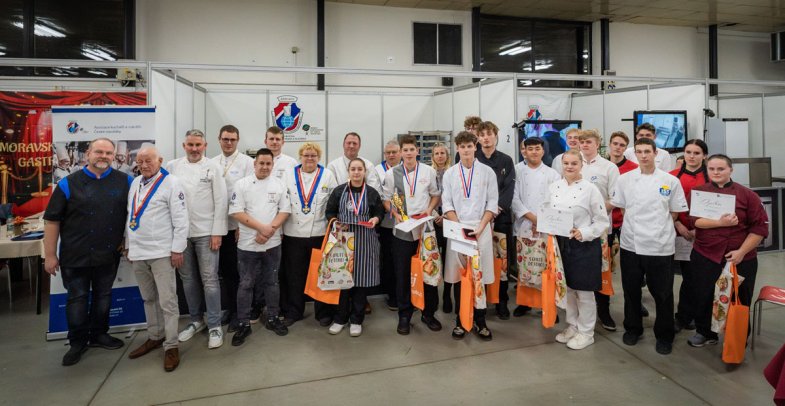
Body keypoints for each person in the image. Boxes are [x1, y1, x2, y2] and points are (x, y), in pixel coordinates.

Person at [43, 138, 131, 366]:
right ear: (88, 154)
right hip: (75, 254)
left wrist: (129, 242)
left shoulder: (125, 181)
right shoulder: (68, 183)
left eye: (108, 153)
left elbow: (135, 214)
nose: (104, 156)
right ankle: (77, 342)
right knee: (77, 299)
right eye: (99, 152)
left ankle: (99, 334)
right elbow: (52, 221)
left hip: (108, 253)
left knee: (103, 296)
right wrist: (50, 255)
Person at [611, 138, 688, 355]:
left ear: (655, 153)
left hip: (660, 245)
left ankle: (664, 335)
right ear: (635, 154)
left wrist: (659, 228)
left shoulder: (670, 180)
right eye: (639, 152)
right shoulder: (624, 180)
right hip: (631, 244)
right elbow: (623, 209)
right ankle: (633, 328)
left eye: (647, 151)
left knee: (663, 294)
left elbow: (674, 212)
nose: (643, 155)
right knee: (631, 290)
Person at [687, 154, 768, 348]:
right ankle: (705, 332)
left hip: (741, 258)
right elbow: (694, 222)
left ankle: (737, 338)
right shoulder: (699, 193)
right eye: (711, 169)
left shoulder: (748, 195)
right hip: (706, 254)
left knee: (740, 299)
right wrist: (720, 223)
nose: (716, 172)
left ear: (731, 169)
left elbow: (759, 229)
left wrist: (741, 252)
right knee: (703, 294)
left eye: (721, 169)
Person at [125, 147, 189, 372]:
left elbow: (181, 219)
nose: (144, 165)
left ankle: (171, 345)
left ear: (160, 160)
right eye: (140, 161)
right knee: (148, 298)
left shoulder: (172, 183)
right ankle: (155, 336)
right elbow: (131, 215)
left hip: (161, 252)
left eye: (148, 161)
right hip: (138, 252)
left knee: (168, 302)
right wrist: (128, 245)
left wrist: (177, 249)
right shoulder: (135, 183)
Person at [165, 129, 228, 349]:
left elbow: (221, 200)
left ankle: (214, 325)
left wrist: (217, 231)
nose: (194, 149)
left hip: (206, 232)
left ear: (205, 146)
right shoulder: (172, 167)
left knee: (209, 279)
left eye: (198, 145)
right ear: (184, 146)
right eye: (190, 145)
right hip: (180, 234)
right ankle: (195, 320)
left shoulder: (213, 167)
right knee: (188, 279)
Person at [547, 150, 609, 350]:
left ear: (581, 165)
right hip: (561, 245)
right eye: (566, 163)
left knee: (584, 291)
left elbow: (602, 221)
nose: (570, 167)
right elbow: (548, 212)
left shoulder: (590, 189)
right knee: (568, 289)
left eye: (574, 163)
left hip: (584, 245)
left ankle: (587, 332)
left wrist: (585, 232)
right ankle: (573, 326)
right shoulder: (554, 187)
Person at [228, 148, 291, 346]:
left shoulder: (279, 184)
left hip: (272, 243)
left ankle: (272, 317)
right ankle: (244, 323)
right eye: (261, 163)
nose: (264, 167)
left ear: (273, 165)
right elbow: (236, 212)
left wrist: (269, 231)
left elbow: (285, 211)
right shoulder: (242, 184)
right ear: (254, 164)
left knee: (272, 282)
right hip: (248, 243)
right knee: (246, 284)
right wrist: (261, 228)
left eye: (268, 163)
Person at [382, 135, 441, 334]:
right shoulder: (391, 174)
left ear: (417, 151)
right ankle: (404, 315)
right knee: (402, 275)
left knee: (429, 271)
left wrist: (429, 210)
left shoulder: (429, 171)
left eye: (411, 149)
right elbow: (386, 199)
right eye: (405, 150)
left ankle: (428, 313)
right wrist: (395, 213)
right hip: (402, 231)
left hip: (425, 230)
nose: (408, 153)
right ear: (401, 152)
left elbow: (435, 195)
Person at [442, 131, 498, 341]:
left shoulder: (487, 172)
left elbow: (492, 202)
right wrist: (459, 228)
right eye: (462, 146)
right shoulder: (449, 174)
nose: (466, 150)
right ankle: (461, 319)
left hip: (481, 229)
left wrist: (482, 226)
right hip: (458, 229)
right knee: (460, 276)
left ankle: (480, 320)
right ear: (457, 148)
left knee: (479, 275)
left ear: (475, 147)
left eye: (469, 146)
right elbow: (447, 203)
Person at [325, 158, 385, 337]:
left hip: (365, 240)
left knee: (361, 281)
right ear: (348, 171)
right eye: (353, 169)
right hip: (343, 239)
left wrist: (376, 219)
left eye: (360, 169)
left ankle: (357, 320)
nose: (356, 172)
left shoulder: (372, 192)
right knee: (342, 280)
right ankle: (340, 318)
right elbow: (329, 212)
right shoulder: (339, 191)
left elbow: (379, 212)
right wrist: (335, 222)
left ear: (364, 172)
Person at [281, 142, 338, 327]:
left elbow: (334, 203)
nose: (310, 158)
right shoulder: (288, 175)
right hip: (293, 233)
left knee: (321, 274)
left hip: (319, 233)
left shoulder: (327, 175)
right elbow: (282, 203)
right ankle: (294, 311)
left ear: (319, 157)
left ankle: (323, 312)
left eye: (313, 155)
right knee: (294, 275)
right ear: (300, 157)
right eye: (306, 155)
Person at [211, 124, 255, 332]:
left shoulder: (247, 163)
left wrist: (241, 224)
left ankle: (241, 312)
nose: (228, 143)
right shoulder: (211, 163)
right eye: (225, 139)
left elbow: (250, 196)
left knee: (242, 273)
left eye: (232, 139)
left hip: (240, 226)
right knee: (226, 271)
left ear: (237, 141)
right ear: (219, 140)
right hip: (219, 227)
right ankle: (230, 309)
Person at [511, 137, 560, 317]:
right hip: (524, 225)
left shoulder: (552, 174)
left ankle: (547, 304)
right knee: (525, 266)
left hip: (546, 227)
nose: (534, 152)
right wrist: (532, 219)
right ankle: (525, 303)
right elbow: (514, 199)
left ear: (543, 150)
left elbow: (555, 200)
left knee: (546, 266)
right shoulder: (517, 170)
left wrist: (541, 221)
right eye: (530, 148)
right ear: (524, 151)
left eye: (537, 148)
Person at [577, 130, 620, 332]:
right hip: (577, 229)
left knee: (601, 271)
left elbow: (616, 198)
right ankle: (580, 313)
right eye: (582, 142)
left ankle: (604, 311)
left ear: (598, 144)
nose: (585, 145)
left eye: (589, 142)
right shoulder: (574, 164)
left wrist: (597, 212)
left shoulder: (609, 167)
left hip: (600, 229)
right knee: (579, 270)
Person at [475, 121, 515, 320]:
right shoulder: (473, 158)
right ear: (478, 138)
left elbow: (508, 189)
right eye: (482, 135)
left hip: (500, 218)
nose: (486, 138)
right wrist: (483, 215)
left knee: (501, 262)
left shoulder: (506, 160)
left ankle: (502, 301)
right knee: (477, 261)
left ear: (496, 136)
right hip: (476, 219)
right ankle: (477, 301)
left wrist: (494, 211)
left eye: (489, 134)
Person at [670, 139, 709, 333]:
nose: (692, 156)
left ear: (704, 156)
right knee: (680, 277)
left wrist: (698, 230)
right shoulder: (671, 177)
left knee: (696, 278)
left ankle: (691, 316)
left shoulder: (711, 178)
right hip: (676, 233)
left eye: (697, 153)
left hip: (704, 235)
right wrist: (677, 224)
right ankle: (680, 317)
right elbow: (664, 204)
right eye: (688, 152)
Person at [375, 140, 402, 311]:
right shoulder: (377, 170)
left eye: (394, 152)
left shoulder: (408, 168)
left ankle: (405, 294)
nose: (391, 155)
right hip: (386, 223)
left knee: (403, 261)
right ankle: (392, 294)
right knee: (389, 260)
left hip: (406, 224)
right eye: (388, 152)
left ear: (400, 153)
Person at [430, 142, 454, 313]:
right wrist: (434, 215)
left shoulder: (453, 172)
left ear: (447, 155)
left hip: (449, 220)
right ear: (433, 156)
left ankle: (447, 295)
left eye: (442, 153)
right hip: (432, 219)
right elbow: (426, 197)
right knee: (432, 259)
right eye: (436, 153)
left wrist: (446, 216)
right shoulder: (428, 173)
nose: (439, 156)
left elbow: (455, 197)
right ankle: (433, 297)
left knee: (448, 260)